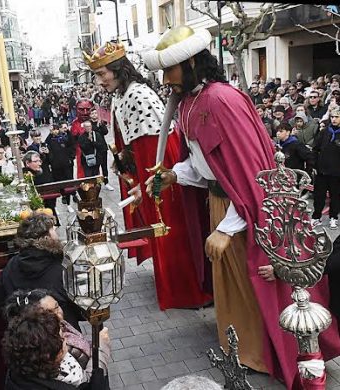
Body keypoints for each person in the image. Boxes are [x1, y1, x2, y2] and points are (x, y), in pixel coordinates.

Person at [142, 25, 340, 387]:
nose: (164, 78)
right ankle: (242, 349)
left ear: (188, 64)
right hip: (221, 205)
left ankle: (264, 355)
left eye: (168, 70)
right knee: (231, 287)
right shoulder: (190, 101)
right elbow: (208, 165)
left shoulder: (220, 100)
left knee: (252, 288)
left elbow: (250, 176)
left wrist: (226, 227)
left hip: (244, 214)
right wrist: (175, 175)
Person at [85, 40, 212, 310]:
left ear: (118, 68)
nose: (99, 81)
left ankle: (188, 290)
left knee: (170, 227)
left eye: (101, 74)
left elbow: (155, 147)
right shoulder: (122, 94)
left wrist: (148, 185)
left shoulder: (137, 94)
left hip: (161, 175)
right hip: (145, 170)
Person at [0, 213, 84, 331]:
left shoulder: (12, 264)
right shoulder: (61, 268)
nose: (56, 230)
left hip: (27, 335)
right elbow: (80, 307)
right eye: (52, 229)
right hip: (61, 334)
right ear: (46, 238)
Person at [3, 289, 109, 373]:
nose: (57, 314)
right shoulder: (53, 348)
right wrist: (100, 346)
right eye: (49, 312)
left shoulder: (62, 325)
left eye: (57, 307)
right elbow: (89, 380)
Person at [311, 108, 340, 229]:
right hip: (322, 171)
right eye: (332, 117)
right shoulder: (324, 132)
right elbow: (315, 149)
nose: (334, 119)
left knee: (336, 196)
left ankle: (333, 217)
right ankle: (316, 217)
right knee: (319, 196)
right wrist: (314, 165)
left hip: (337, 172)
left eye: (337, 117)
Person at [89, 109, 113, 190]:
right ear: (90, 115)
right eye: (92, 113)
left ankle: (106, 182)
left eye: (95, 113)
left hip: (103, 148)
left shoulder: (100, 123)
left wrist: (101, 125)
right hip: (95, 149)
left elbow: (105, 132)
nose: (94, 115)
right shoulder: (90, 125)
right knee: (96, 168)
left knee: (104, 167)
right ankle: (98, 182)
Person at [70, 100, 95, 179]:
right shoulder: (75, 123)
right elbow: (72, 138)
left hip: (93, 149)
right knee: (81, 168)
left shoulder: (94, 122)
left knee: (94, 166)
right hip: (80, 150)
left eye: (87, 109)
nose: (85, 112)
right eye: (81, 109)